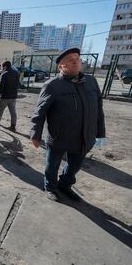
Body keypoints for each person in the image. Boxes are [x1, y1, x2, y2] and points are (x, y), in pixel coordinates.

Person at [30, 47, 106, 202]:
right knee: (52, 165)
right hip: (60, 136)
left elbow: (99, 109)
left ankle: (65, 185)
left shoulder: (91, 82)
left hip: (85, 136)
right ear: (61, 66)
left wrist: (100, 133)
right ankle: (50, 187)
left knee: (74, 166)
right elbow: (40, 112)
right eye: (71, 60)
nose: (76, 62)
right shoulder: (52, 85)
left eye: (78, 58)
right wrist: (35, 134)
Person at [0, 61, 20, 132]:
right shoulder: (16, 73)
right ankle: (13, 126)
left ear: (5, 66)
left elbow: (0, 86)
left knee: (1, 109)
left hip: (5, 96)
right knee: (13, 112)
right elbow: (18, 84)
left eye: (2, 66)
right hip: (13, 97)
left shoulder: (4, 74)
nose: (2, 68)